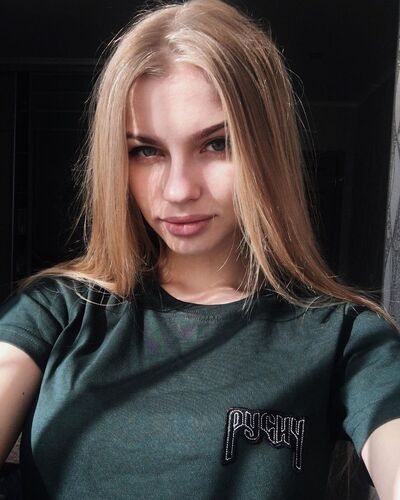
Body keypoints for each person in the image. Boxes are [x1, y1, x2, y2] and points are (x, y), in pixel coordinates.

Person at [0, 0, 399, 498]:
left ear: (266, 150)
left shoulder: (346, 338)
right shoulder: (53, 312)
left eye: (216, 144)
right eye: (146, 151)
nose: (178, 190)